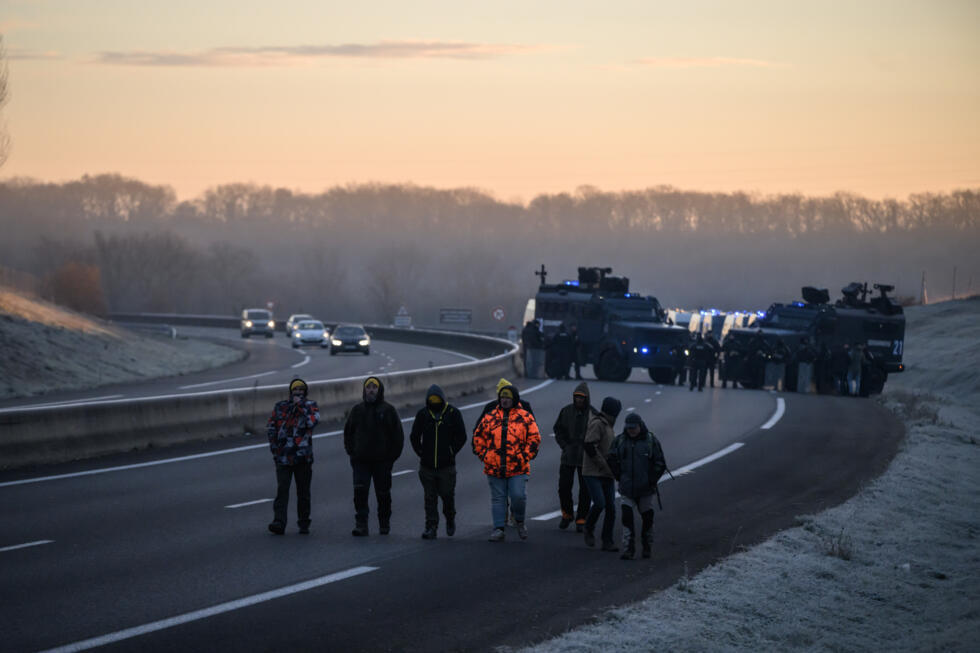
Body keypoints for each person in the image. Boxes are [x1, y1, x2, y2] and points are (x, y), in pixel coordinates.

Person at [472, 382, 541, 542]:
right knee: (498, 498)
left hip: (518, 467)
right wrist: (485, 456)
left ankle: (520, 520)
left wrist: (525, 456)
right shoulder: (490, 417)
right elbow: (478, 437)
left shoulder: (525, 417)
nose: (504, 400)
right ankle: (498, 529)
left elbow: (534, 438)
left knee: (518, 496)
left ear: (514, 399)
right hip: (494, 467)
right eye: (502, 397)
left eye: (507, 398)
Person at [344, 376, 404, 536]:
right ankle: (361, 524)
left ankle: (384, 523)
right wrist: (353, 453)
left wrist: (390, 458)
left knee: (383, 494)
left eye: (374, 387)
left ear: (379, 390)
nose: (371, 390)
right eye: (368, 387)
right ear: (364, 390)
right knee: (360, 493)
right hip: (361, 461)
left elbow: (397, 437)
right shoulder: (357, 410)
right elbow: (348, 433)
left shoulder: (388, 410)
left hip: (382, 462)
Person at [410, 384, 467, 539]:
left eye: (436, 399)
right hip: (427, 466)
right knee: (430, 498)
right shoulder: (422, 415)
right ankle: (431, 526)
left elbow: (462, 436)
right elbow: (414, 436)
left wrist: (451, 451)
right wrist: (421, 453)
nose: (434, 402)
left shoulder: (452, 413)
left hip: (446, 466)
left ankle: (450, 518)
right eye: (431, 400)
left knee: (447, 495)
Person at [607, 413, 666, 560]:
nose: (631, 431)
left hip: (645, 490)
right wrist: (619, 476)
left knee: (647, 518)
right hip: (627, 489)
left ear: (640, 425)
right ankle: (628, 548)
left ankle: (647, 545)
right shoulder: (620, 441)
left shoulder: (651, 441)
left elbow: (660, 463)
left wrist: (651, 480)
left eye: (634, 428)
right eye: (629, 428)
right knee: (626, 517)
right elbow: (611, 459)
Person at [266, 378, 320, 535]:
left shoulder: (311, 406)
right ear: (290, 391)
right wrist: (275, 449)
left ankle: (304, 523)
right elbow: (271, 427)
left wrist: (300, 406)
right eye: (295, 389)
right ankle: (279, 521)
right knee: (282, 489)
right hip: (283, 457)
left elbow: (313, 422)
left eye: (301, 389)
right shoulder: (281, 407)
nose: (298, 392)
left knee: (303, 492)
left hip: (303, 458)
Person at [552, 382, 596, 532]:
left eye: (582, 397)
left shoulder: (593, 414)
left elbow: (600, 434)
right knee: (564, 487)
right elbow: (558, 429)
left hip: (586, 459)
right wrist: (564, 446)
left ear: (587, 398)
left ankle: (582, 518)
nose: (579, 400)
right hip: (568, 457)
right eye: (577, 397)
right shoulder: (566, 411)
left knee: (585, 490)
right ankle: (567, 514)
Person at [582, 396, 621, 552]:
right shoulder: (598, 423)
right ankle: (588, 527)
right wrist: (602, 464)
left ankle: (607, 540)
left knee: (611, 507)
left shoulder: (609, 426)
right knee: (600, 503)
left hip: (607, 473)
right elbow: (589, 445)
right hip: (593, 472)